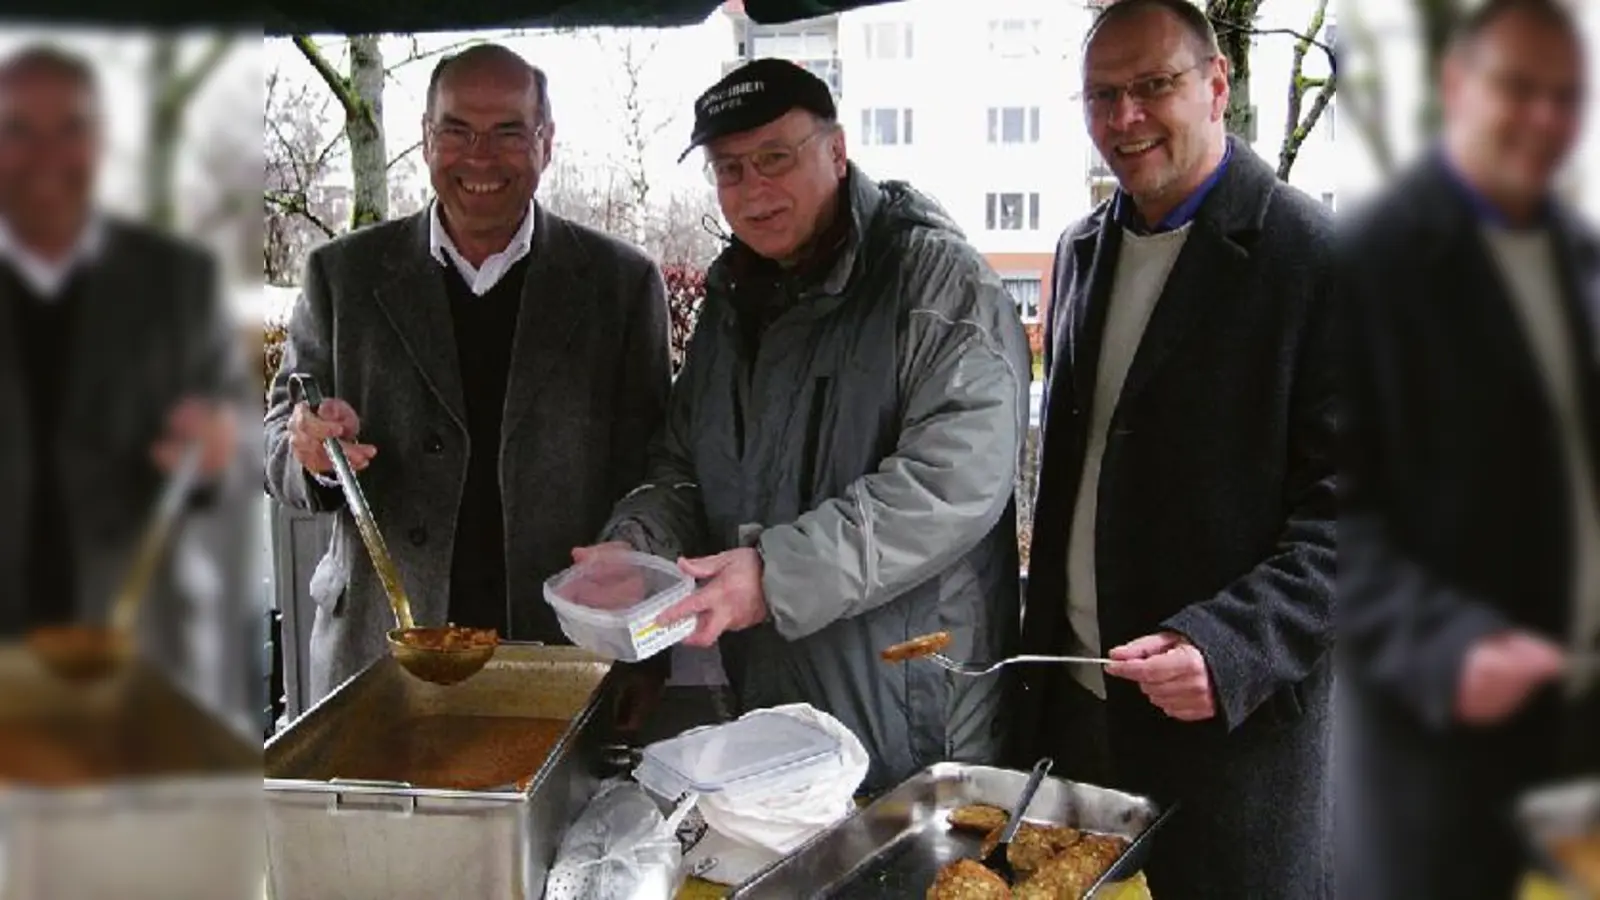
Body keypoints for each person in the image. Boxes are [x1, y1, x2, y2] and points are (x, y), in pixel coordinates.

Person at [576, 58, 1030, 793]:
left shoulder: (935, 283)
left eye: (775, 160)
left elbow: (952, 482)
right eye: (729, 170)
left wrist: (776, 573)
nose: (753, 191)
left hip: (914, 709)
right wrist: (639, 549)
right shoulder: (732, 304)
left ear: (837, 151)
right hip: (772, 701)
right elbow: (683, 467)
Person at [1011, 1, 1336, 896]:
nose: (1125, 118)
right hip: (1077, 708)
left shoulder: (1317, 259)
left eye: (1153, 85)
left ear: (1217, 85)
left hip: (1230, 735)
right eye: (1101, 95)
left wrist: (1230, 646)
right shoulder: (1082, 249)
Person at [265, 44, 671, 703]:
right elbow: (276, 437)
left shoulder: (620, 285)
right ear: (426, 139)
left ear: (547, 141)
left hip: (560, 659)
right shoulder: (342, 276)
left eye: (508, 131)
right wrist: (308, 451)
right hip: (380, 656)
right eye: (456, 130)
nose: (479, 157)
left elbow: (656, 470)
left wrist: (632, 564)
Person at [1339, 1, 1599, 897]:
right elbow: (1327, 512)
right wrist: (1445, 648)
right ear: (1456, 88)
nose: (1543, 117)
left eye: (1565, 96)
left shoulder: (1582, 254)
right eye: (1517, 88)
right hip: (1439, 755)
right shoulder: (1372, 263)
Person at [0, 44, 246, 693]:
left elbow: (243, 444)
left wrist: (215, 451)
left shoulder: (178, 283)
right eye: (18, 131)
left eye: (70, 130)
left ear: (101, 142)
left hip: (137, 668)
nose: (47, 156)